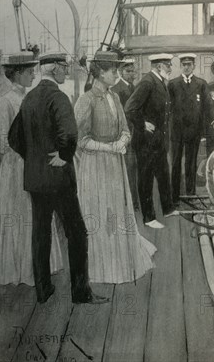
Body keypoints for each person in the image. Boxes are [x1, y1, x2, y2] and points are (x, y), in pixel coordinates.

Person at [9, 52, 107, 304]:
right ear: (55, 69)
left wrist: (34, 158)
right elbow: (70, 134)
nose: (67, 72)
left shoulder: (29, 97)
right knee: (77, 233)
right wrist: (63, 156)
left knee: (41, 233)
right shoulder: (57, 96)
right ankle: (81, 293)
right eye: (64, 68)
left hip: (35, 179)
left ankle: (43, 291)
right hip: (58, 180)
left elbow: (14, 138)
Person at [75, 51, 156, 283]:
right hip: (95, 165)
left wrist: (122, 141)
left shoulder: (115, 98)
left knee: (117, 210)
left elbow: (125, 129)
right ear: (100, 73)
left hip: (115, 164)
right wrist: (110, 147)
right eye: (113, 70)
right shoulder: (86, 100)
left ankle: (121, 257)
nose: (116, 74)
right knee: (101, 211)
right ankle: (103, 265)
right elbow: (81, 140)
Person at [0, 52, 62, 286]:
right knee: (20, 214)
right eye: (29, 72)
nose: (33, 74)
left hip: (33, 164)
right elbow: (2, 142)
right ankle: (21, 268)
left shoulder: (31, 98)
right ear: (16, 74)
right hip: (16, 167)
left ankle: (40, 265)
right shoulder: (5, 102)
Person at [125, 54, 177, 229]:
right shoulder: (147, 82)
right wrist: (142, 124)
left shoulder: (160, 82)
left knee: (163, 176)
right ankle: (149, 218)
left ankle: (168, 209)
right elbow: (130, 108)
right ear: (158, 66)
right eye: (168, 65)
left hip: (158, 142)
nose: (170, 68)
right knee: (146, 179)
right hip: (146, 142)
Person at [168, 53, 208, 204]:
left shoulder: (201, 84)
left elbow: (206, 108)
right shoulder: (172, 84)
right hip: (177, 131)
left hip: (194, 131)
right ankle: (175, 196)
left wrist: (206, 128)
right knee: (176, 163)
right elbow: (167, 108)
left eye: (189, 64)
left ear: (194, 66)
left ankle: (190, 194)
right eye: (184, 64)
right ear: (180, 66)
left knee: (191, 163)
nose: (186, 67)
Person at [111, 55, 139, 209]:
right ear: (121, 72)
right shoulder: (116, 90)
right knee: (125, 170)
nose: (132, 74)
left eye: (133, 72)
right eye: (128, 71)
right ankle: (127, 203)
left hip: (136, 136)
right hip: (124, 136)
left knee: (134, 170)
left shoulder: (135, 88)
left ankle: (134, 202)